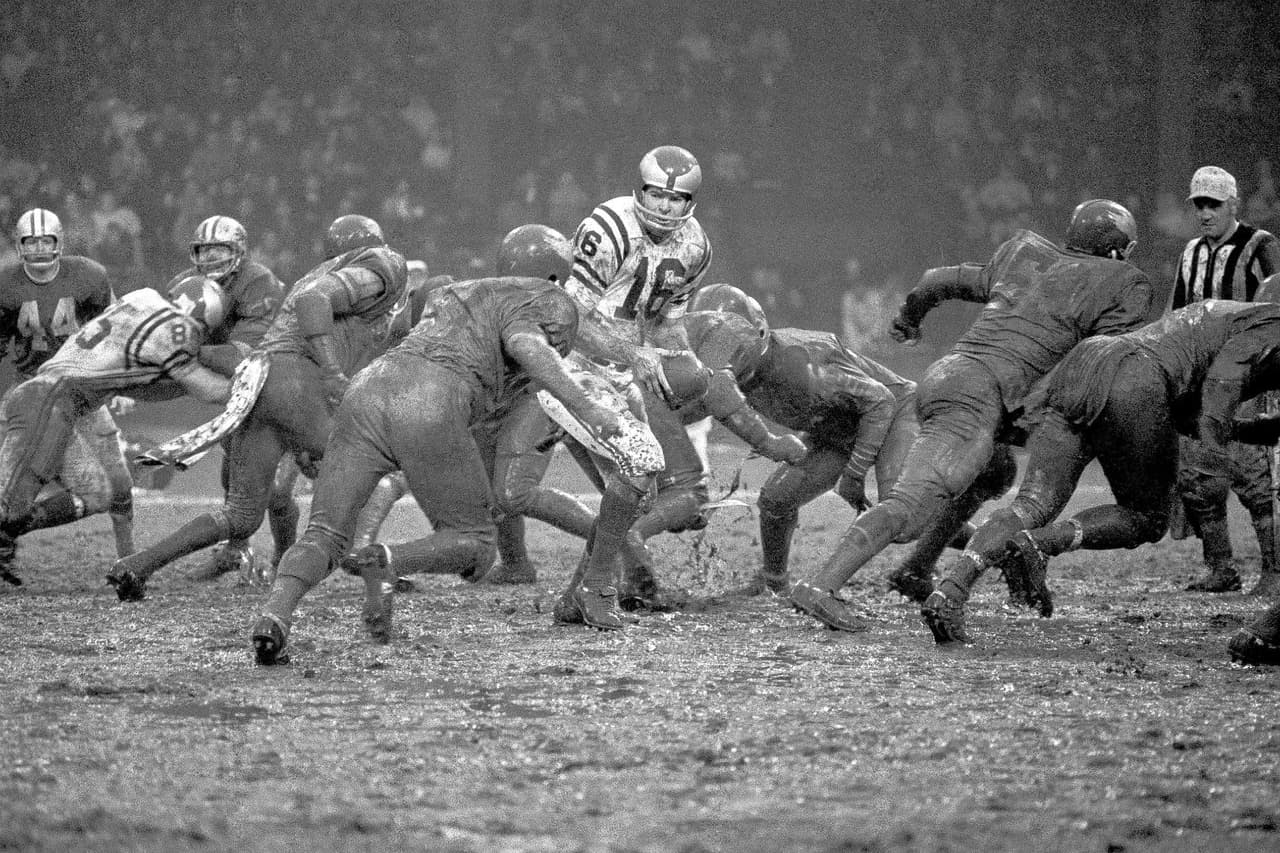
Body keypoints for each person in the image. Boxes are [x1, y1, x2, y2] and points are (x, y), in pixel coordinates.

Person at [249, 226, 629, 665]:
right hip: (430, 398)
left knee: (324, 534)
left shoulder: (454, 291)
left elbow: (405, 336)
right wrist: (587, 406)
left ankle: (275, 613)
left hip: (369, 389)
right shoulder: (547, 299)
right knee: (475, 542)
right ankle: (389, 559)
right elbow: (528, 346)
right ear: (557, 276)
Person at [789, 199, 1158, 632]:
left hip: (952, 375)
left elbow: (935, 281)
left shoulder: (1028, 254)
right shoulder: (1124, 283)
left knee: (994, 473)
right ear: (1118, 251)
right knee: (908, 510)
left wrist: (909, 320)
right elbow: (1102, 358)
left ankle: (916, 569)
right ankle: (820, 585)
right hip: (977, 396)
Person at [922, 298, 1280, 644]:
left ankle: (950, 591)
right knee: (1147, 518)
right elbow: (1222, 382)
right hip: (1137, 376)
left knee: (1031, 505)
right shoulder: (1272, 324)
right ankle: (1041, 543)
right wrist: (1216, 447)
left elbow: (1195, 400)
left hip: (1090, 360)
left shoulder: (1243, 319)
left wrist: (1244, 430)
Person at [621, 283, 1004, 605]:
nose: (714, 353)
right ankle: (774, 583)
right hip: (836, 430)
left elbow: (879, 401)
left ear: (755, 334)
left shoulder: (801, 362)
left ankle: (994, 545)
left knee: (900, 516)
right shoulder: (740, 364)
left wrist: (854, 474)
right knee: (775, 499)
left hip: (892, 413)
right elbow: (690, 407)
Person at [106, 214, 407, 601]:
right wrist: (332, 373)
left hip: (256, 382)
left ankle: (137, 565)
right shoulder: (381, 264)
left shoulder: (308, 275)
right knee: (368, 465)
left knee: (241, 515)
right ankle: (370, 567)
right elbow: (316, 306)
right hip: (294, 382)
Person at [551, 144, 714, 630]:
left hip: (620, 373)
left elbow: (665, 324)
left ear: (691, 203)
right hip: (568, 365)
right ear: (639, 189)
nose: (665, 206)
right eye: (656, 195)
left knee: (638, 494)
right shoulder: (607, 229)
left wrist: (684, 361)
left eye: (676, 199)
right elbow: (566, 319)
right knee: (640, 464)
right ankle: (599, 589)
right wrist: (632, 353)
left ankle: (574, 597)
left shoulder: (695, 248)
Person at [0, 276, 234, 584]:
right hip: (49, 402)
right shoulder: (178, 329)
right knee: (10, 506)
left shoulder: (143, 296)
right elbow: (203, 388)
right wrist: (244, 387)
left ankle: (7, 537)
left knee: (97, 493)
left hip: (60, 402)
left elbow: (143, 384)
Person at [1168, 166, 1280, 595]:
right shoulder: (1190, 252)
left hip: (1247, 378)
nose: (1205, 212)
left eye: (1213, 204)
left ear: (1233, 203)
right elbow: (1177, 314)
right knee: (1198, 475)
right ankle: (1221, 567)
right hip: (1199, 379)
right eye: (1199, 204)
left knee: (1252, 473)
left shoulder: (1260, 246)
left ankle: (1273, 572)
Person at [0, 208, 128, 581]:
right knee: (13, 487)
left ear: (59, 243)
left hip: (82, 389)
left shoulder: (89, 276)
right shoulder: (5, 285)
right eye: (31, 242)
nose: (39, 249)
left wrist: (117, 383)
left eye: (46, 241)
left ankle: (131, 561)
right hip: (34, 396)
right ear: (20, 246)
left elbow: (115, 329)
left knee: (112, 486)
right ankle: (7, 536)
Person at [164, 215, 289, 582]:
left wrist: (187, 350)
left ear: (238, 251)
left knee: (277, 490)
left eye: (220, 249)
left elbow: (245, 355)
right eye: (205, 249)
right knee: (233, 474)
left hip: (277, 386)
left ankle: (286, 562)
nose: (212, 257)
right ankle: (236, 551)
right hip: (236, 394)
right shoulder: (184, 285)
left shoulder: (259, 281)